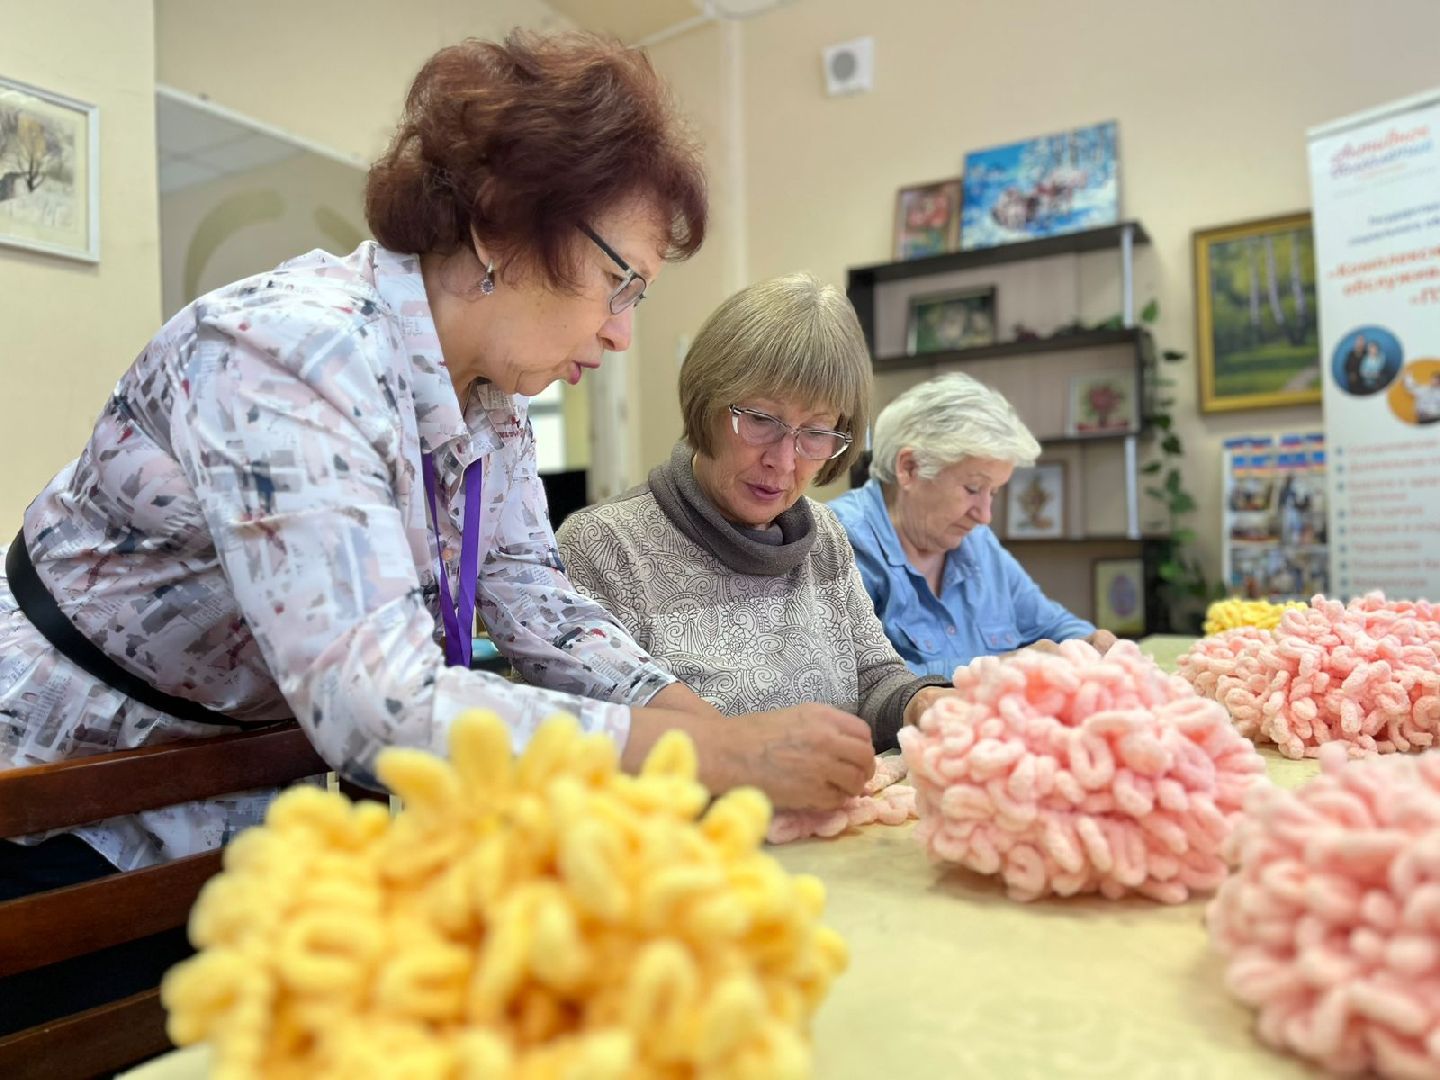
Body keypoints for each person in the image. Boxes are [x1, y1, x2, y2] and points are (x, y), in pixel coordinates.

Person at [0, 33, 870, 1032]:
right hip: (61, 803)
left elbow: (533, 595)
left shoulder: (486, 404)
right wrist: (717, 762)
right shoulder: (288, 353)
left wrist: (707, 729)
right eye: (621, 282)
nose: (624, 332)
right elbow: (381, 703)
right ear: (505, 226)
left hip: (253, 788)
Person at [556, 273, 953, 756]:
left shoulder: (822, 535)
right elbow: (603, 743)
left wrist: (922, 702)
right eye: (762, 420)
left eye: (816, 433)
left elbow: (873, 677)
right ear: (707, 402)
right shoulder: (603, 545)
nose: (783, 462)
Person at [831, 373, 1116, 677]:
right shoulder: (839, 544)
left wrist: (1090, 642)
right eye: (972, 488)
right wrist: (999, 668)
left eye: (993, 492)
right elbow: (857, 684)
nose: (984, 516)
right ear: (910, 468)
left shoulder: (977, 543)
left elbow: (1052, 624)